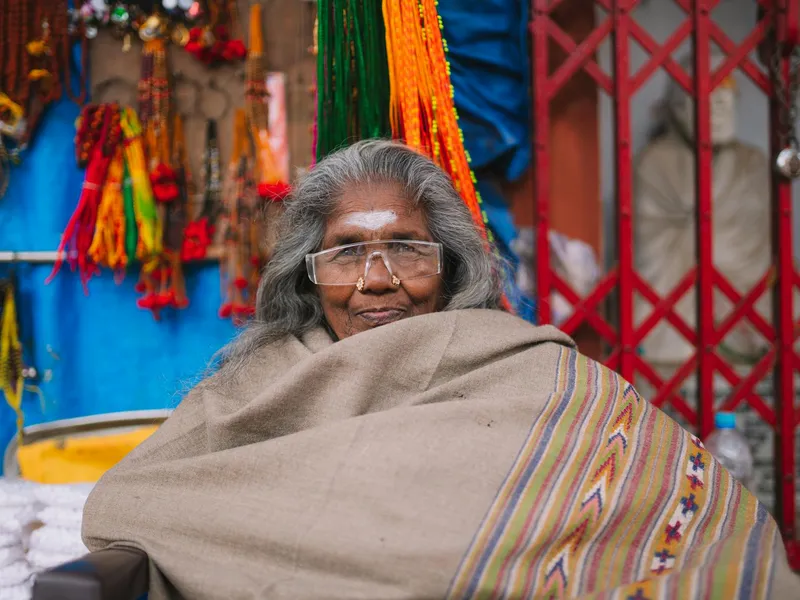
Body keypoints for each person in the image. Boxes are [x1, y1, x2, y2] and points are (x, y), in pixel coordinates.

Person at [82, 140, 797, 599]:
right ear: (309, 274)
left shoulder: (535, 375)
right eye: (347, 253)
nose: (379, 279)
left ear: (449, 265)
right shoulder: (249, 391)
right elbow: (133, 502)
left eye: (408, 249)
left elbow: (687, 519)